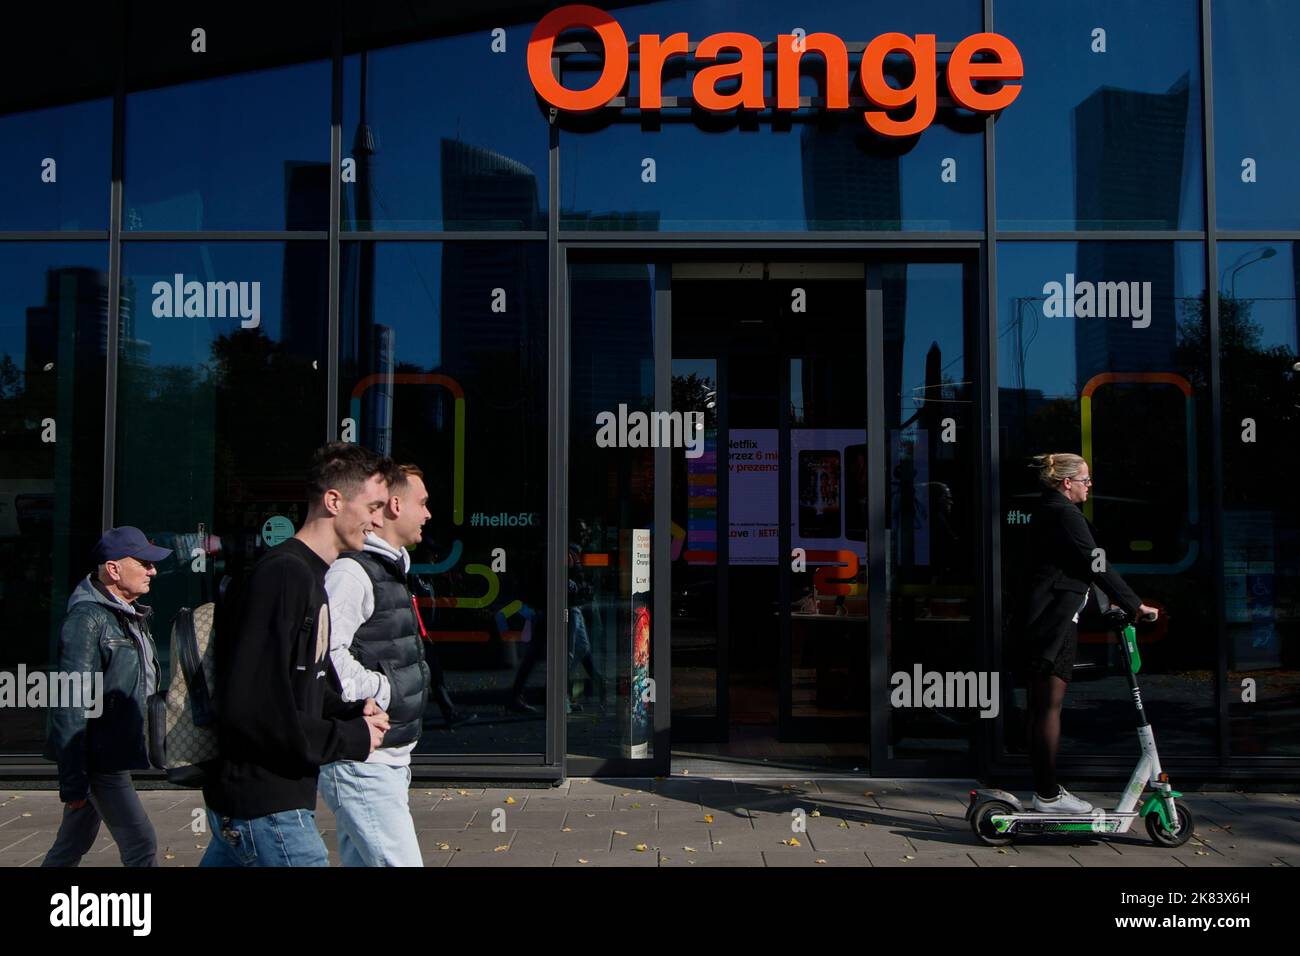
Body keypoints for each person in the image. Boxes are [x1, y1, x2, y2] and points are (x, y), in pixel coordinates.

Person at [200, 442, 394, 867]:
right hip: (266, 807)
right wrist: (350, 737)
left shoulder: (309, 575)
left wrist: (350, 711)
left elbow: (298, 686)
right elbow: (253, 708)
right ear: (333, 500)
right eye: (374, 506)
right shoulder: (284, 576)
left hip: (262, 801)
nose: (379, 522)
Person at [1021, 452, 1159, 813]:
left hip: (1040, 618)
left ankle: (1044, 790)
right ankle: (1048, 795)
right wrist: (1135, 605)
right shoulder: (1065, 513)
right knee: (1048, 706)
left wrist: (1108, 604)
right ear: (1067, 483)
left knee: (1039, 707)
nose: (1089, 486)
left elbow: (1075, 566)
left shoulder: (1048, 509)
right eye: (1085, 480)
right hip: (1055, 623)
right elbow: (1096, 562)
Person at [318, 463, 433, 866]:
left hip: (389, 758)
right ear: (396, 506)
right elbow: (328, 658)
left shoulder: (391, 569)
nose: (428, 514)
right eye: (423, 503)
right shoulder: (352, 572)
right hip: (363, 761)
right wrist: (385, 690)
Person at [42, 527, 172, 867]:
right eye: (144, 563)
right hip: (100, 760)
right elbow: (70, 703)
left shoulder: (125, 614)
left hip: (109, 753)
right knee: (141, 843)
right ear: (113, 570)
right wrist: (73, 781)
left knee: (71, 846)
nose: (152, 571)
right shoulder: (87, 619)